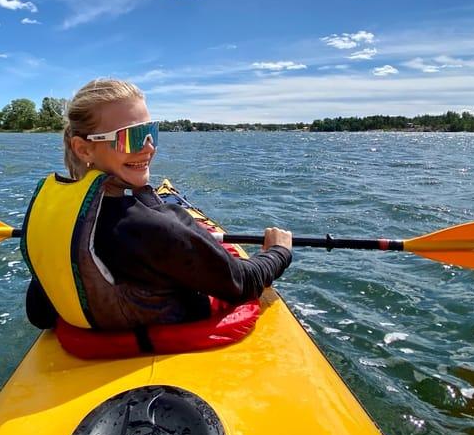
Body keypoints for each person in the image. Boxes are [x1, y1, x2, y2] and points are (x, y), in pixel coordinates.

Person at [23, 78, 292, 331]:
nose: (149, 147)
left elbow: (39, 312)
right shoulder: (149, 227)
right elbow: (244, 281)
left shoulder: (59, 215)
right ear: (83, 149)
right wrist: (279, 251)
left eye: (150, 132)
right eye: (130, 137)